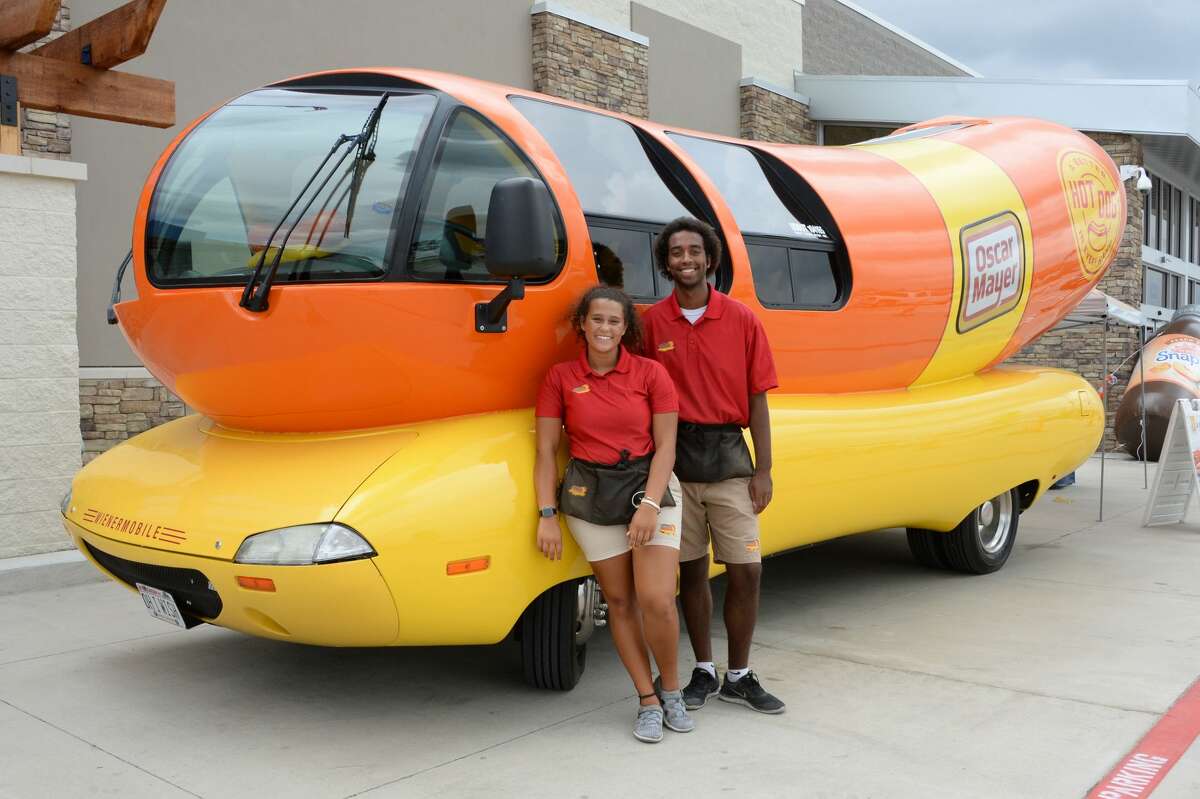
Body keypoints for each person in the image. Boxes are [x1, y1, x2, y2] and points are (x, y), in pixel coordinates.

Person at [533, 285, 693, 743]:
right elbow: (545, 452)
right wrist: (547, 513)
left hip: (650, 485)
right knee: (619, 602)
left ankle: (671, 689)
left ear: (627, 328)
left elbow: (667, 447)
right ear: (582, 324)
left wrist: (647, 504)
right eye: (597, 319)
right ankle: (645, 699)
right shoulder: (560, 377)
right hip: (591, 494)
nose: (605, 328)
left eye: (614, 321)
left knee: (657, 598)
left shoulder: (650, 373)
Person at [642, 217, 785, 715]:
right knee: (690, 571)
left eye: (694, 251)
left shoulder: (742, 319)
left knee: (747, 570)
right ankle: (703, 670)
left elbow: (758, 398)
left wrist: (763, 469)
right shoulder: (651, 324)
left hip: (730, 462)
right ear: (666, 262)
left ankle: (739, 675)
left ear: (710, 258)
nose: (686, 259)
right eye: (676, 252)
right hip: (674, 465)